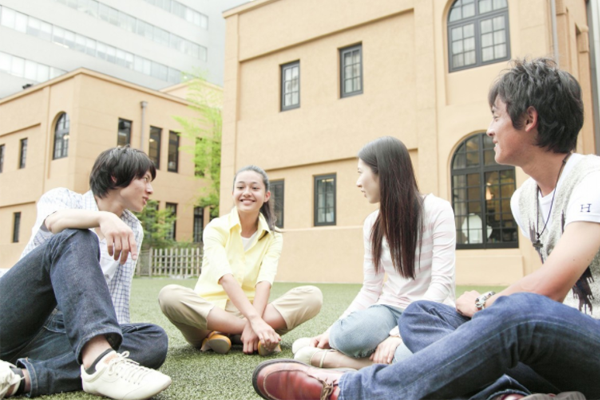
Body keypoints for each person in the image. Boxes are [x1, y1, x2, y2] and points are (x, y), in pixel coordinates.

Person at [251, 58, 600, 400]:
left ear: (529, 119)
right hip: (550, 353)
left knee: (513, 313)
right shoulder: (524, 200)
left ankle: (350, 389)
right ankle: (508, 396)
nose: (490, 129)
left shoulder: (591, 179)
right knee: (421, 316)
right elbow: (374, 289)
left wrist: (483, 303)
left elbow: (550, 287)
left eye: (496, 116)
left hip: (587, 347)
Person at [0, 146, 171, 399]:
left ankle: (20, 378)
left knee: (154, 338)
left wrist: (115, 337)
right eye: (144, 179)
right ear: (115, 177)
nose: (150, 189)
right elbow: (55, 222)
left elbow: (115, 297)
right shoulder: (63, 198)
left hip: (64, 333)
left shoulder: (132, 229)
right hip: (18, 317)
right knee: (77, 236)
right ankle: (98, 364)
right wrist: (101, 218)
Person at [291, 136, 456, 370]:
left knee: (415, 357)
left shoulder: (438, 210)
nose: (358, 182)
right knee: (347, 335)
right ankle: (371, 362)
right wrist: (330, 332)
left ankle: (331, 360)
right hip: (388, 309)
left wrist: (399, 335)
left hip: (430, 313)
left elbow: (441, 284)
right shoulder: (372, 224)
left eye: (361, 172)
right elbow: (371, 289)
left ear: (384, 173)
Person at [159, 165, 323, 356]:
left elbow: (265, 282)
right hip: (209, 315)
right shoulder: (216, 228)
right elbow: (225, 278)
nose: (247, 193)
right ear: (233, 193)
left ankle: (227, 335)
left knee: (313, 296)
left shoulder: (274, 236)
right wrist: (256, 323)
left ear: (266, 195)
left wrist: (255, 317)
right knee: (169, 295)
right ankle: (248, 332)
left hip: (254, 309)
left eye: (254, 188)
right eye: (241, 187)